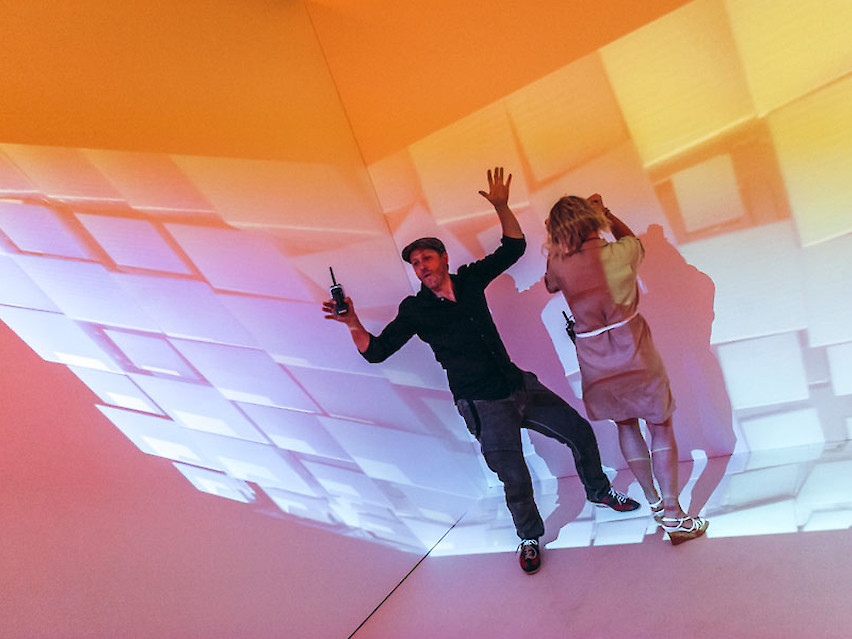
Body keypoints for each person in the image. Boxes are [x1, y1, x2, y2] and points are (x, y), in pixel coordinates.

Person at [323, 168, 639, 575]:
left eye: (426, 258)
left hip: (517, 383)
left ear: (444, 259)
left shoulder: (470, 280)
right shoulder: (416, 310)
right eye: (415, 263)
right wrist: (352, 322)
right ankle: (529, 536)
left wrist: (502, 206)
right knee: (515, 476)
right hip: (481, 403)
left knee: (578, 430)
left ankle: (598, 491)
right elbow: (377, 352)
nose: (421, 267)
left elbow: (514, 248)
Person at [543, 193, 708, 546]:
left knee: (625, 424)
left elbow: (550, 284)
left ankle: (654, 505)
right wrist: (606, 212)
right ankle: (673, 513)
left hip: (595, 360)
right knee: (660, 426)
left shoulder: (559, 263)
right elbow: (633, 240)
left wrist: (556, 243)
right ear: (591, 220)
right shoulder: (622, 252)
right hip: (635, 352)